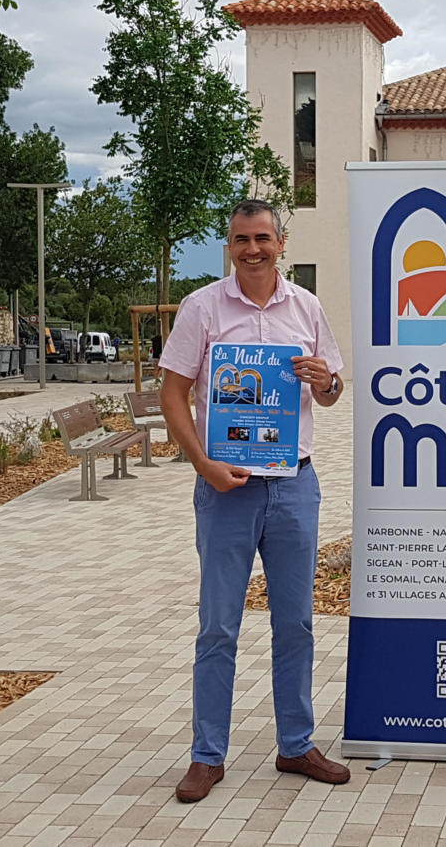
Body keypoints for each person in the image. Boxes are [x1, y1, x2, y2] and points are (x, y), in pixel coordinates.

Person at [159, 199, 350, 802]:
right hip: (226, 488)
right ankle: (206, 756)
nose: (253, 249)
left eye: (263, 237)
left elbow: (332, 393)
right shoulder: (202, 308)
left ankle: (296, 745)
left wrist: (326, 381)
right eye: (241, 239)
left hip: (294, 485)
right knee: (218, 625)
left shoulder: (308, 307)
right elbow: (172, 394)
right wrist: (204, 465)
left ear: (281, 242)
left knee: (295, 623)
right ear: (229, 245)